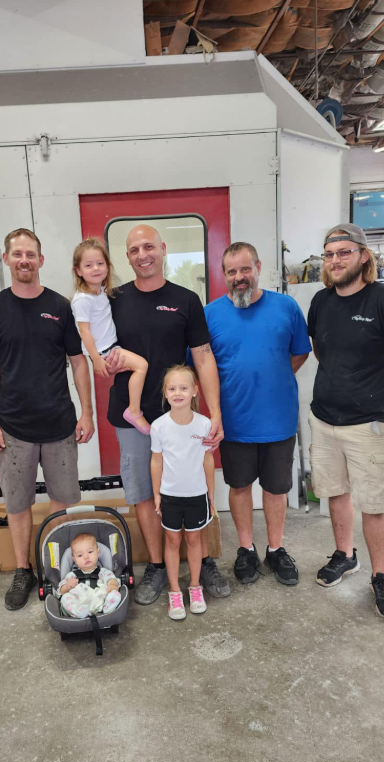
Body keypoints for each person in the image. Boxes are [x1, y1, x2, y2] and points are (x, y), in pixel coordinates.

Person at [105, 224, 228, 605]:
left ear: (163, 249)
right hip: (133, 416)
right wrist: (103, 363)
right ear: (126, 258)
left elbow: (204, 357)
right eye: (134, 250)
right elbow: (94, 348)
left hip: (181, 418)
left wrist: (215, 412)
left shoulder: (186, 299)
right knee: (144, 492)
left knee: (195, 488)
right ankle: (157, 567)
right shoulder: (113, 299)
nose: (143, 254)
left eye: (149, 247)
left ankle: (203, 561)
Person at [308, 223, 384, 620]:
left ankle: (382, 577)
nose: (335, 260)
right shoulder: (321, 302)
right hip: (324, 419)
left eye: (343, 252)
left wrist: (382, 394)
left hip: (370, 424)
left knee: (374, 503)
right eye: (329, 254)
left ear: (362, 256)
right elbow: (322, 352)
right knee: (336, 491)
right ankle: (345, 555)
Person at [0, 228, 95, 612]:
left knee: (61, 501)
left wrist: (86, 412)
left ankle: (59, 567)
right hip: (13, 427)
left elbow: (78, 363)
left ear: (41, 261)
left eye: (31, 254)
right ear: (8, 260)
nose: (24, 260)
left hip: (59, 424)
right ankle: (23, 570)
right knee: (18, 503)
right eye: (17, 254)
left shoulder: (61, 307)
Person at [196, 242, 311, 587]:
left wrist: (270, 377)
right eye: (231, 271)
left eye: (245, 269)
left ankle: (275, 549)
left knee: (276, 489)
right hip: (234, 422)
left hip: (278, 420)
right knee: (239, 486)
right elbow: (202, 367)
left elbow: (299, 354)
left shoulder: (286, 306)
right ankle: (246, 549)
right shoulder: (210, 314)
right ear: (224, 275)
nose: (239, 277)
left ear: (258, 267)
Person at [150, 365, 215, 620]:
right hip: (170, 496)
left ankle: (195, 587)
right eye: (172, 388)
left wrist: (210, 493)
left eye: (184, 388)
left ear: (195, 392)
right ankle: (175, 591)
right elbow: (156, 461)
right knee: (173, 541)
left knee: (194, 541)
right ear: (165, 394)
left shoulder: (205, 423)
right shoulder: (159, 426)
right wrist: (157, 494)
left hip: (197, 495)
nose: (178, 393)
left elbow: (208, 460)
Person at [70, 238, 150, 434]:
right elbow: (84, 331)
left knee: (137, 367)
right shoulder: (82, 299)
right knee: (142, 366)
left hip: (111, 347)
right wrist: (96, 359)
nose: (96, 268)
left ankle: (133, 409)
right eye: (88, 265)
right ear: (78, 271)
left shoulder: (101, 292)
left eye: (100, 263)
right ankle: (133, 410)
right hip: (105, 351)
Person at [56, 533, 121, 618]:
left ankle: (107, 608)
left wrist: (112, 584)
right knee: (65, 598)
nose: (86, 557)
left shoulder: (103, 572)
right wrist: (67, 586)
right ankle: (79, 612)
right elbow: (59, 592)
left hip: (98, 600)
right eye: (80, 555)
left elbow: (111, 579)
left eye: (90, 552)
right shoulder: (72, 575)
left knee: (114, 594)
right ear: (74, 560)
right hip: (79, 603)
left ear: (98, 553)